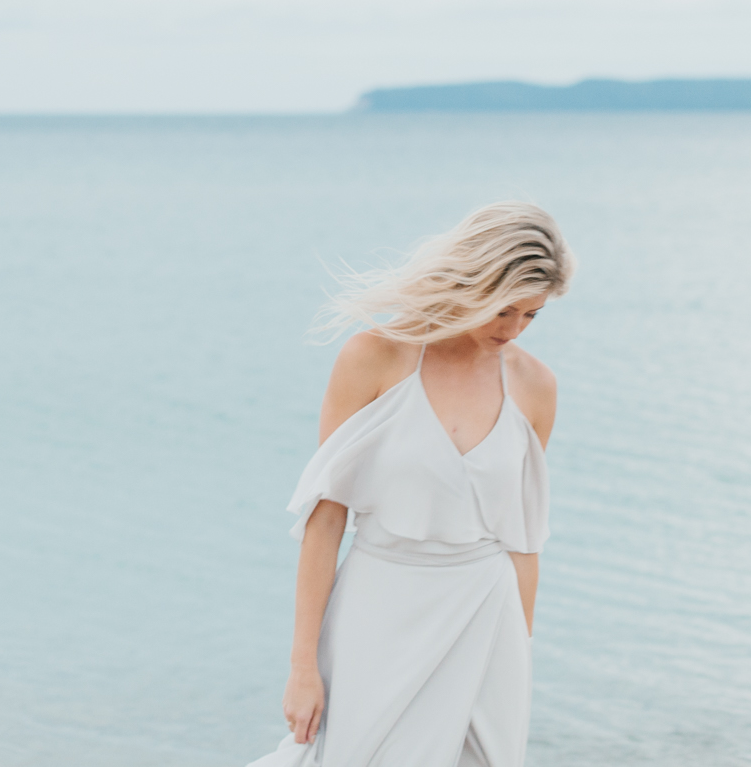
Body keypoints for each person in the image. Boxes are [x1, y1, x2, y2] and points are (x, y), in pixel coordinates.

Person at [244, 202, 573, 767]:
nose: (512, 330)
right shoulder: (375, 356)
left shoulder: (535, 386)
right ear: (472, 281)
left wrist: (521, 651)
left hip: (486, 616)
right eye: (504, 310)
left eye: (531, 316)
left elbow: (523, 541)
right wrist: (302, 667)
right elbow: (326, 520)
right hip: (379, 606)